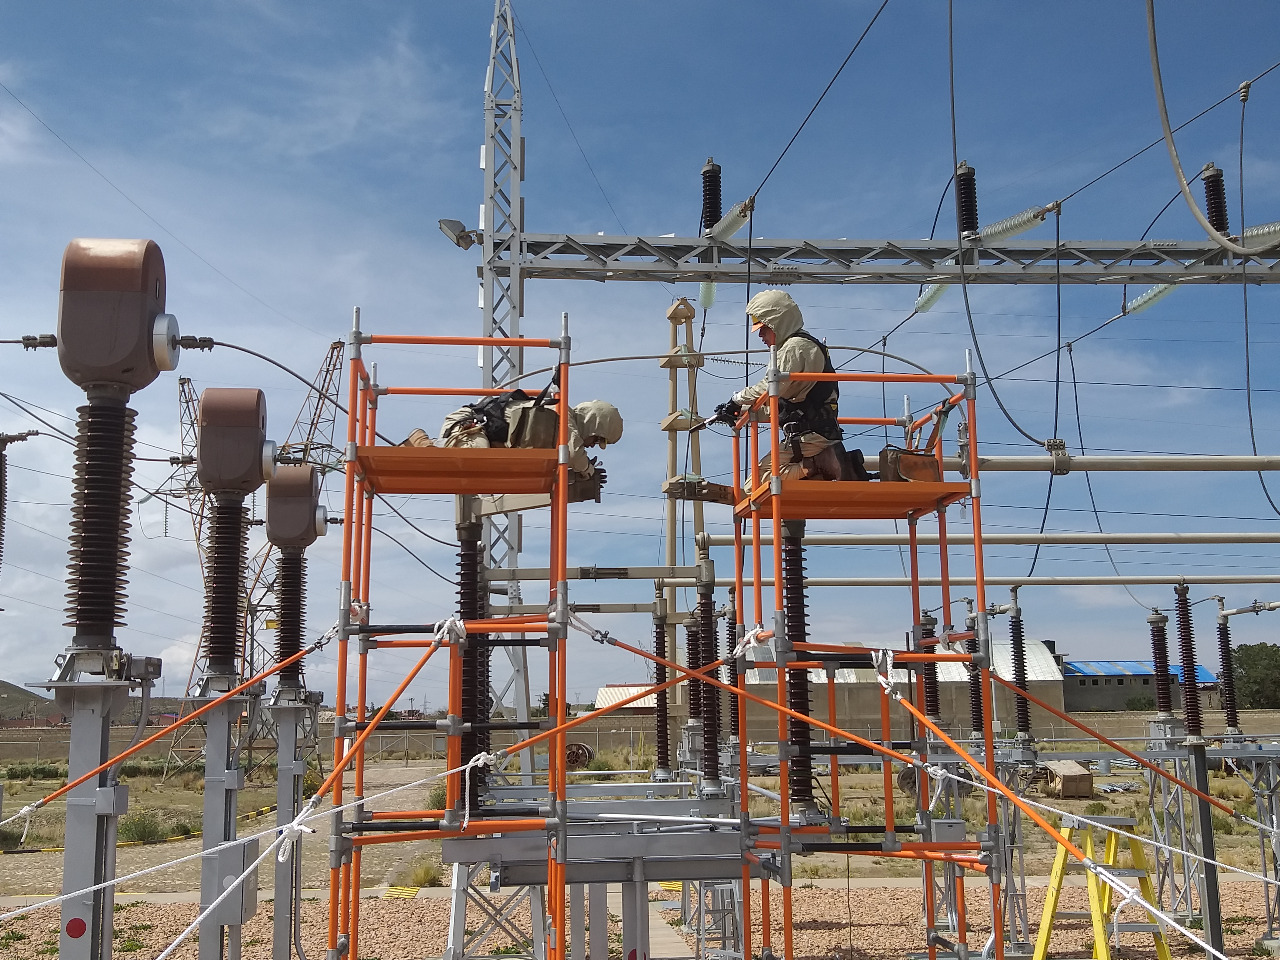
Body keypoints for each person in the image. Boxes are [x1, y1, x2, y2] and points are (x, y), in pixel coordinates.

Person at [716, 289, 852, 481]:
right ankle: (818, 468)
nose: (760, 335)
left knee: (758, 481)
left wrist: (737, 399)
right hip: (812, 433)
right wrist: (743, 412)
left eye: (763, 328)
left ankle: (818, 464)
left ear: (777, 323)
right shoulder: (800, 346)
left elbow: (771, 387)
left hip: (812, 437)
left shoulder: (794, 347)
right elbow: (783, 405)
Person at [408, 391, 623, 484]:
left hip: (477, 433)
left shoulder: (561, 429)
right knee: (474, 457)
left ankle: (426, 445)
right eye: (597, 440)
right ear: (593, 426)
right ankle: (422, 442)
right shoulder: (561, 413)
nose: (593, 446)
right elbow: (575, 451)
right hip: (469, 427)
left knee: (476, 465)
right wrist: (587, 470)